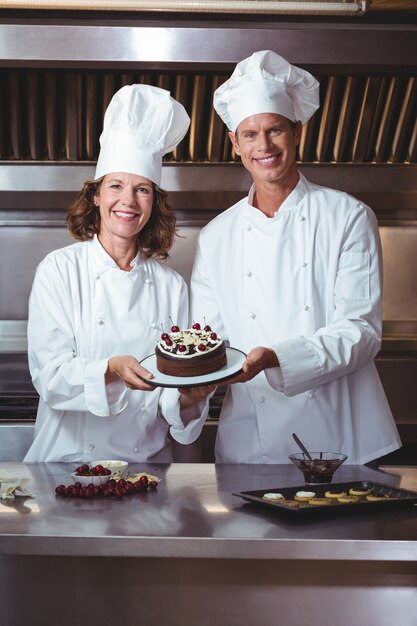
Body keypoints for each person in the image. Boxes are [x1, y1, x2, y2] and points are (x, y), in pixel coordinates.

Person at [190, 50, 401, 464]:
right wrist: (192, 382)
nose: (263, 145)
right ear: (234, 144)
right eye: (249, 134)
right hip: (250, 442)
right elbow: (208, 340)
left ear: (297, 131)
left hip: (340, 439)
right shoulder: (216, 236)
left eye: (275, 130)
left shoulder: (348, 216)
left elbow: (361, 331)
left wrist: (278, 358)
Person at [24, 84, 213, 463]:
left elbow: (169, 393)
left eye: (142, 189)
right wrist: (110, 369)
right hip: (68, 466)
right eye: (115, 186)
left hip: (146, 470)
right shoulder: (60, 271)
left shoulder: (171, 285)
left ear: (153, 202)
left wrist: (190, 396)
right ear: (96, 195)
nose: (127, 201)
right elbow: (51, 378)